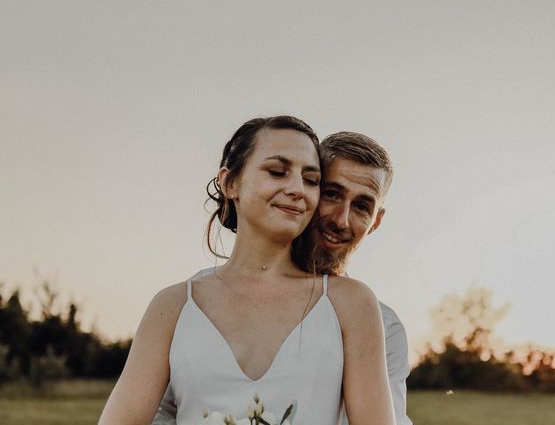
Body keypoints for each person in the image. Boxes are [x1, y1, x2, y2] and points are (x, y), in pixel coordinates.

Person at [99, 116, 395, 425]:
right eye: (277, 172)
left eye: (311, 180)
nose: (297, 189)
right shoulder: (172, 306)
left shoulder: (351, 304)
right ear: (230, 183)